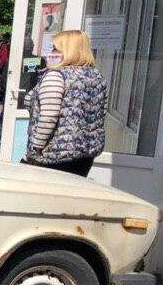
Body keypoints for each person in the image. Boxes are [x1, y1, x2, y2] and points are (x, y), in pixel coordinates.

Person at [24, 29, 107, 177]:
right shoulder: (97, 77)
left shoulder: (56, 76)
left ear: (69, 50)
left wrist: (35, 148)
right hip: (84, 156)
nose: (51, 52)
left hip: (53, 155)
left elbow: (48, 118)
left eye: (55, 48)